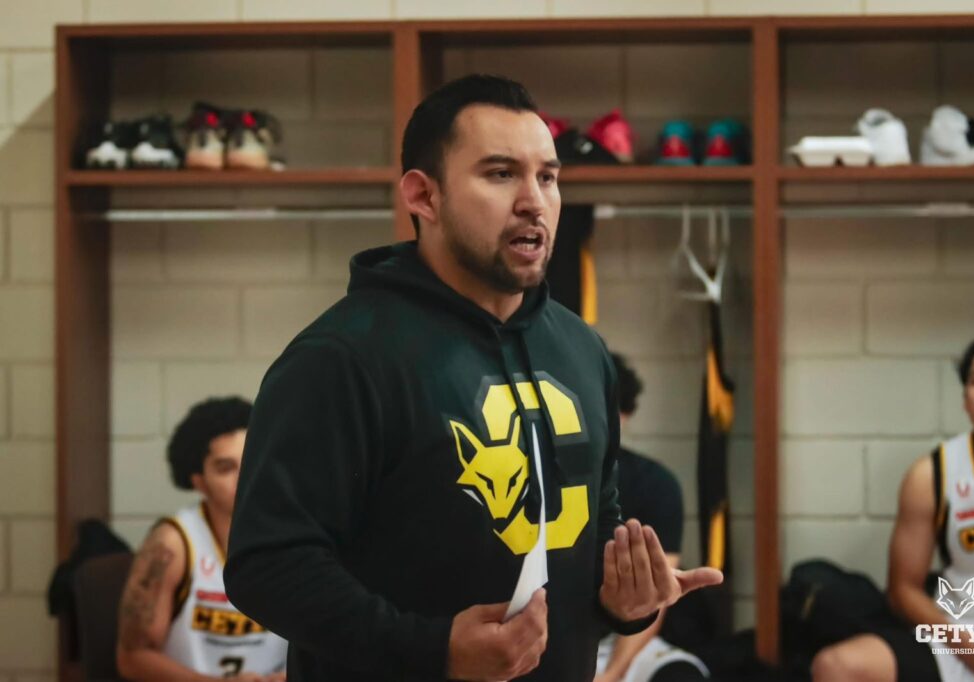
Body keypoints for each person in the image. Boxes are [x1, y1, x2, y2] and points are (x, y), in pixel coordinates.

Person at [223, 73, 722, 682]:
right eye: (501, 174)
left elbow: (593, 528)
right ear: (423, 197)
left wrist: (621, 601)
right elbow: (267, 567)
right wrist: (434, 650)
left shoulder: (582, 349)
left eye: (548, 177)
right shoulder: (341, 357)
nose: (534, 201)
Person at [811, 322, 974, 682]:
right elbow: (902, 590)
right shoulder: (931, 475)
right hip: (963, 635)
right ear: (965, 399)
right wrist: (963, 643)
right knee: (836, 665)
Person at [116, 396, 287, 681]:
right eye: (226, 468)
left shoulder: (297, 536)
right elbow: (132, 658)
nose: (244, 477)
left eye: (251, 462)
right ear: (200, 481)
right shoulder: (173, 543)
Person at [595, 354, 709, 682]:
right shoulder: (533, 479)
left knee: (682, 675)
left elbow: (654, 595)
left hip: (625, 639)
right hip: (549, 637)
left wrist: (613, 674)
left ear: (625, 414)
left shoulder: (654, 483)